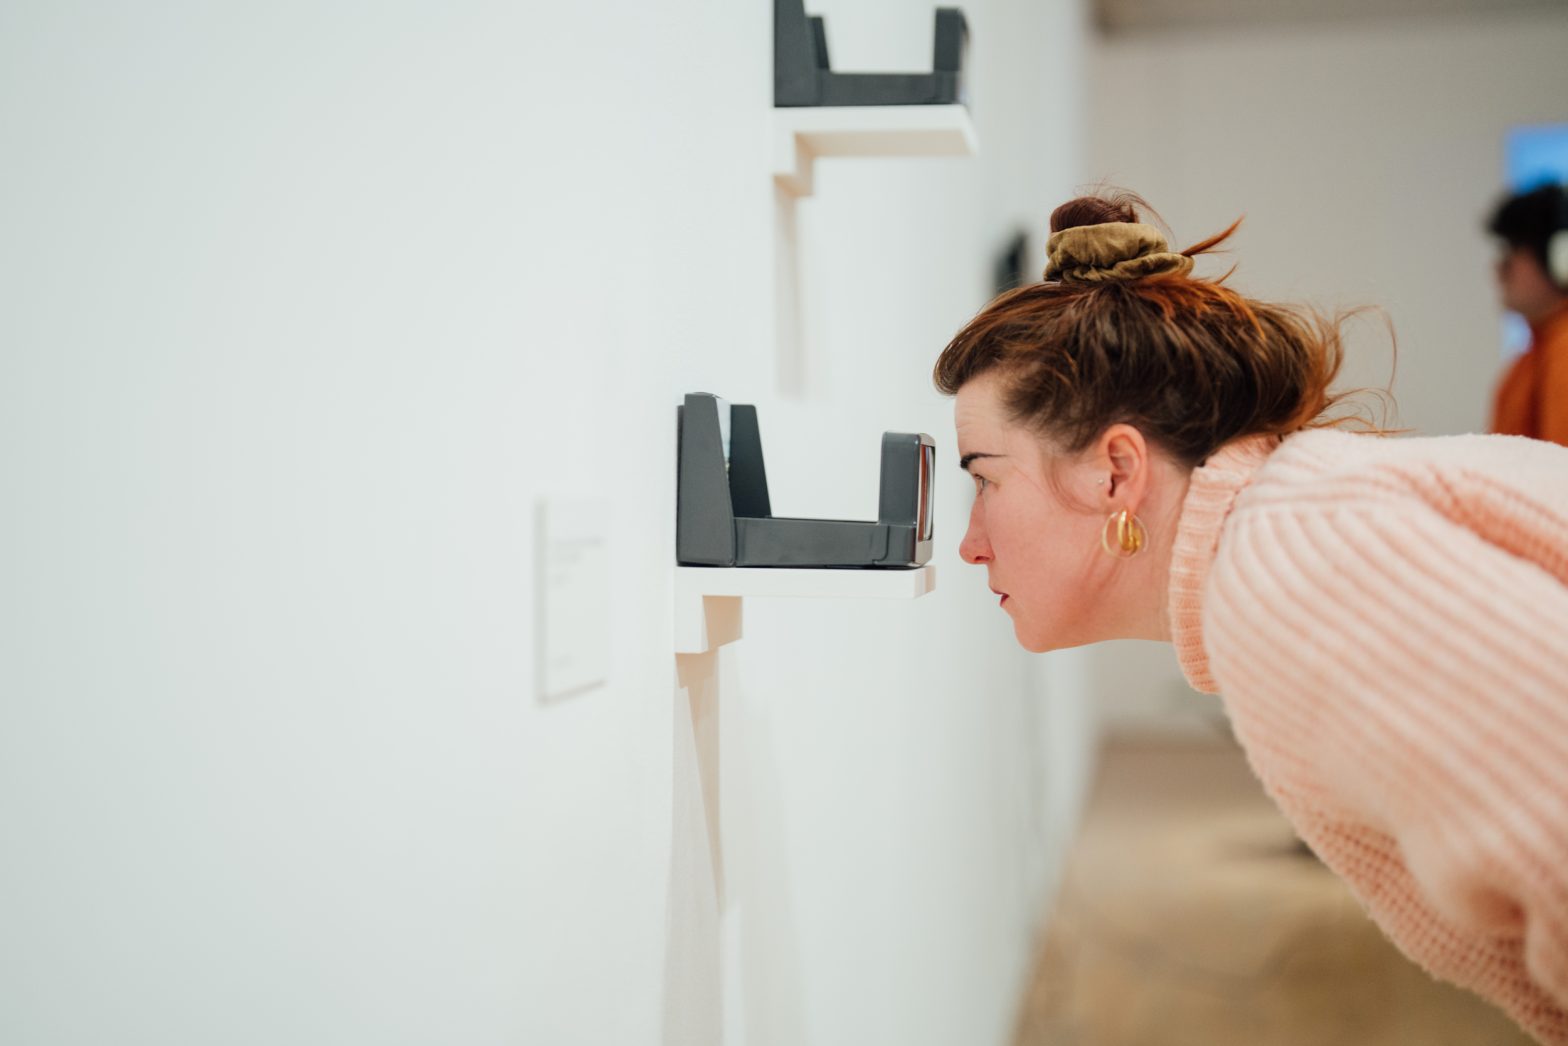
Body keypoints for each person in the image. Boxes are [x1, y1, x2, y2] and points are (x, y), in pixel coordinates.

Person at [933, 191, 1568, 1044]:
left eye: (984, 477)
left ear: (1115, 472)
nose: (970, 544)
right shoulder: (1282, 536)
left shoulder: (1287, 561)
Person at [1488, 183, 1568, 445]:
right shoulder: (1534, 356)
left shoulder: (1562, 352)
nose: (1499, 270)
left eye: (1512, 253)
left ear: (1559, 259)